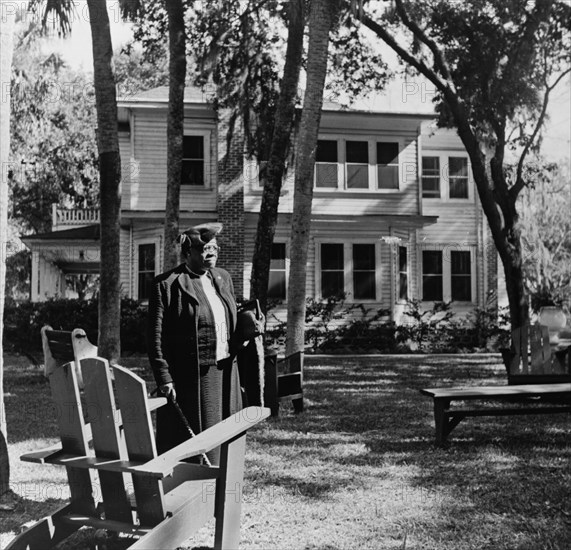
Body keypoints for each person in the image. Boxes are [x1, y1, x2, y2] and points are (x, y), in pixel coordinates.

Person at [147, 223, 243, 463]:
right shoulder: (167, 285)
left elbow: (230, 320)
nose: (211, 253)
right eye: (204, 249)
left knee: (228, 431)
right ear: (187, 252)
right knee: (201, 438)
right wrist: (164, 377)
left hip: (227, 370)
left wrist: (248, 326)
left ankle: (223, 485)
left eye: (214, 248)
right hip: (193, 376)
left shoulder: (222, 278)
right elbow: (155, 337)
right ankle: (197, 490)